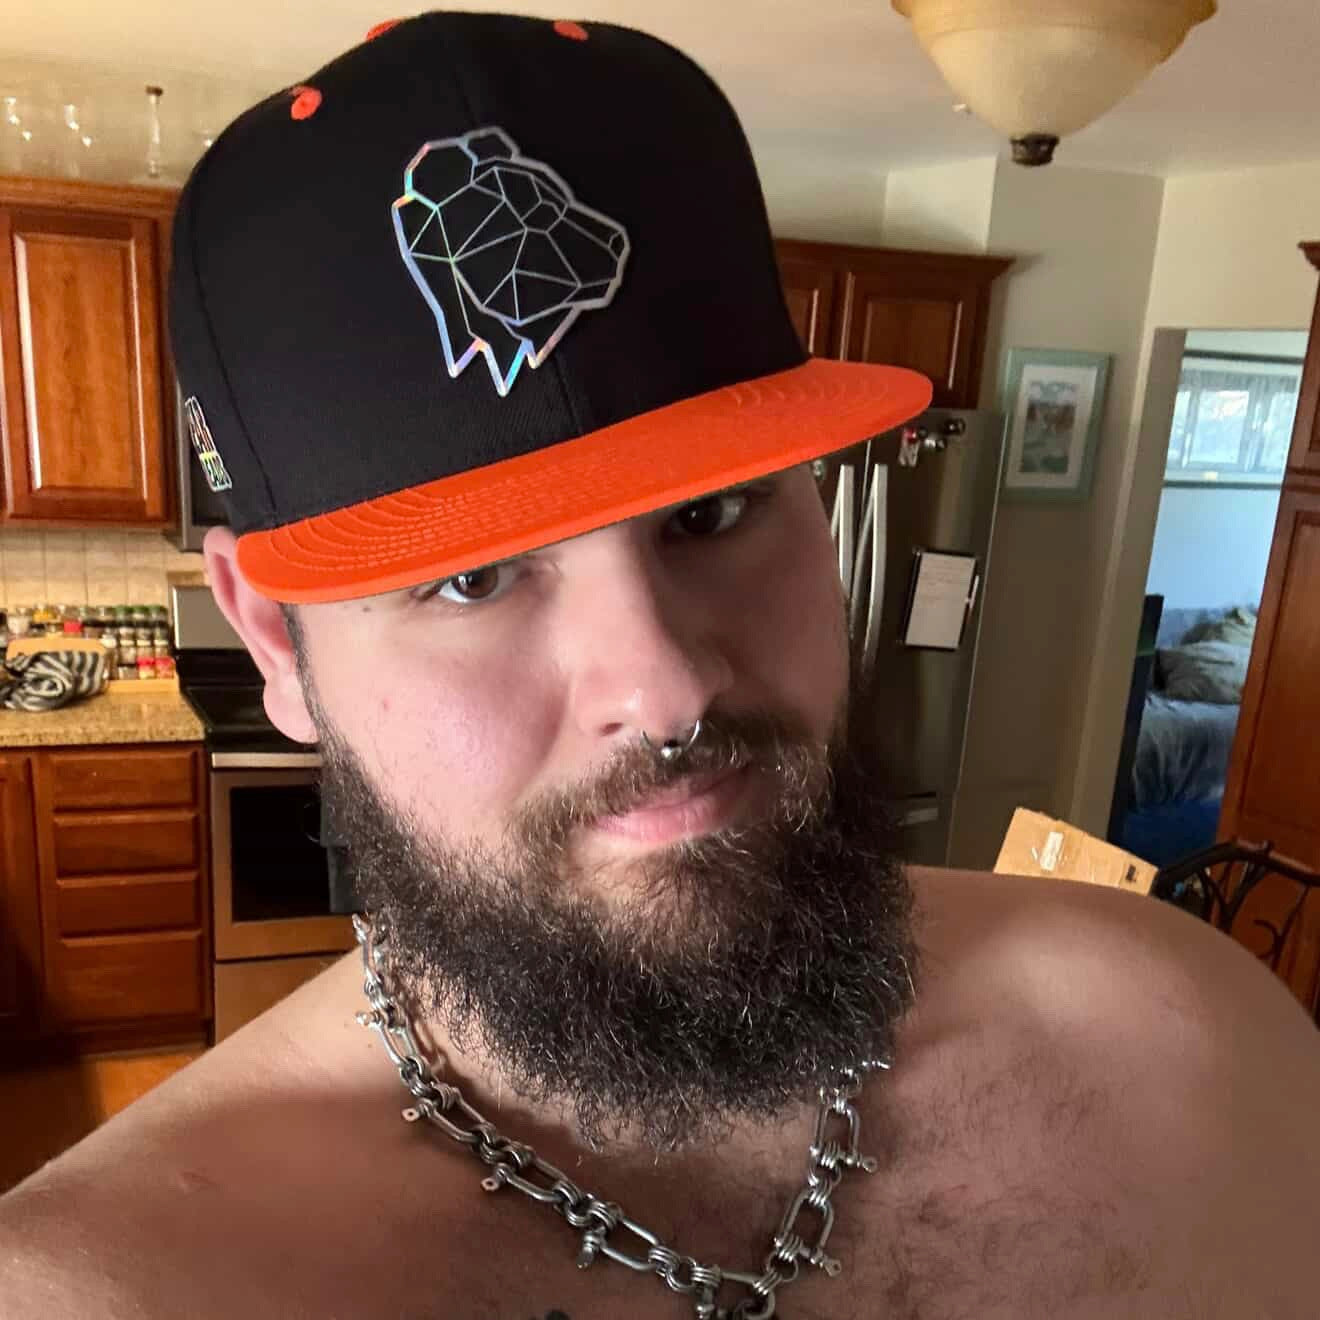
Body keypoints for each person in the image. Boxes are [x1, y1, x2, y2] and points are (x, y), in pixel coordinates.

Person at [2, 12, 1317, 1318]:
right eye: (471, 578)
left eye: (713, 514)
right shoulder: (114, 1285)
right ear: (274, 639)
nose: (668, 686)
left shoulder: (1191, 1042)